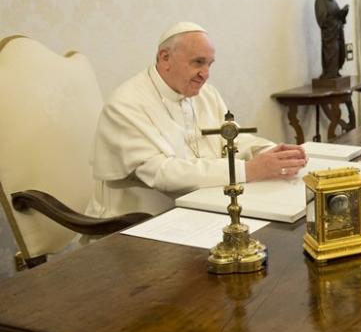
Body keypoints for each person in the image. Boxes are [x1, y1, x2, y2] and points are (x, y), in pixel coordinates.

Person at [87, 22, 308, 218]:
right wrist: (249, 170)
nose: (205, 74)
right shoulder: (126, 104)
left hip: (201, 207)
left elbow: (232, 138)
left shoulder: (206, 93)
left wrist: (271, 153)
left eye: (209, 64)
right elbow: (161, 173)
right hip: (140, 221)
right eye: (198, 63)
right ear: (165, 58)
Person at [315, 0, 349, 79]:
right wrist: (336, 18)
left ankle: (336, 71)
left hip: (338, 32)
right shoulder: (320, 0)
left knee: (341, 52)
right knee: (332, 54)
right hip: (329, 36)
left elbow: (337, 14)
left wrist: (343, 13)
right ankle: (330, 73)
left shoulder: (332, 0)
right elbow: (323, 20)